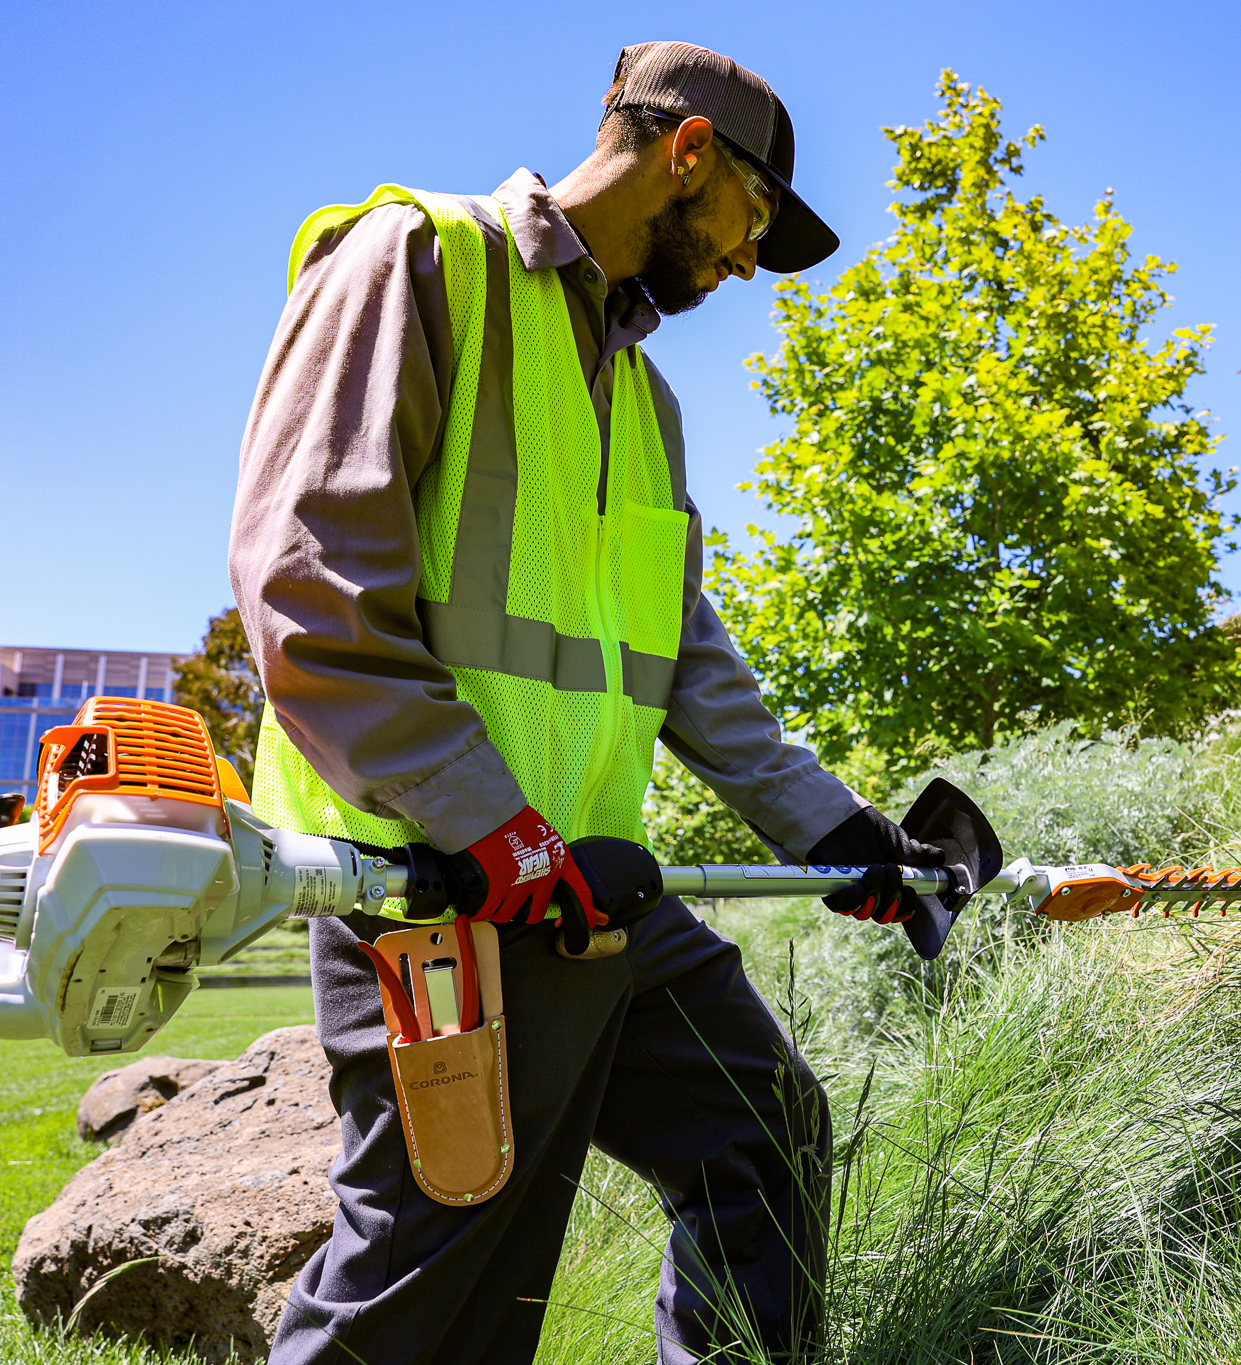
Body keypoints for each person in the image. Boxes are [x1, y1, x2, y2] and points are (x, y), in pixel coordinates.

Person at [230, 41, 948, 1365]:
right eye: (753, 221)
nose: (747, 261)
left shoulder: (645, 400)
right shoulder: (420, 264)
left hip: (599, 900)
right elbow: (309, 587)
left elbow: (682, 659)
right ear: (687, 153)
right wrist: (492, 827)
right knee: (430, 1281)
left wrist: (837, 830)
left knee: (763, 1127)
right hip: (432, 892)